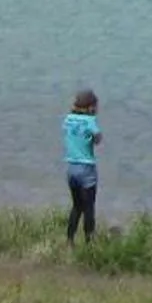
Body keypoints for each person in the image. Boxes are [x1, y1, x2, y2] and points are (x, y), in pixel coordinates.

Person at [63, 89, 101, 244]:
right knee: (89, 208)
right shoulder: (90, 121)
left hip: (71, 168)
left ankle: (69, 240)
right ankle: (89, 242)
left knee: (77, 206)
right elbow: (98, 138)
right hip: (86, 169)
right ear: (91, 106)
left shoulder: (68, 119)